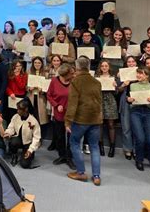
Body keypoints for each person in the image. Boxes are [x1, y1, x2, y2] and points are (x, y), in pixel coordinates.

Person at [65, 57, 102, 186]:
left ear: (77, 67)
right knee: (94, 147)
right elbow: (99, 102)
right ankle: (96, 176)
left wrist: (68, 121)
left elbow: (72, 104)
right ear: (89, 65)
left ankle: (81, 173)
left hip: (80, 120)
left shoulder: (75, 81)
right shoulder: (97, 82)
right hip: (96, 120)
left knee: (74, 143)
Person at [127, 67, 150, 172]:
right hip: (136, 111)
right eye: (138, 73)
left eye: (141, 74)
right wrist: (129, 99)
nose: (138, 75)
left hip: (149, 112)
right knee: (140, 138)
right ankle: (139, 160)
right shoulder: (132, 85)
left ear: (147, 76)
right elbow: (128, 99)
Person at [47, 64, 75, 169]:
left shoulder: (74, 81)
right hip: (59, 113)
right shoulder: (54, 81)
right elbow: (49, 95)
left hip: (71, 114)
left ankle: (69, 157)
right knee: (60, 136)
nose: (72, 75)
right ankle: (62, 156)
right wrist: (56, 105)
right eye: (70, 74)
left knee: (70, 137)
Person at [4, 100, 41, 168]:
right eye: (17, 109)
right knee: (13, 142)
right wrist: (8, 133)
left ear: (26, 109)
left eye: (19, 109)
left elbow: (37, 138)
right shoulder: (15, 117)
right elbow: (11, 127)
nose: (17, 111)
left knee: (25, 164)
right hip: (18, 140)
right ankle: (14, 154)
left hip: (28, 143)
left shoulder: (33, 121)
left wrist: (30, 150)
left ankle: (29, 154)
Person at [117, 55, 139, 160]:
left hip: (138, 101)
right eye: (129, 62)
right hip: (125, 101)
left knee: (137, 127)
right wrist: (123, 85)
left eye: (133, 62)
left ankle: (136, 149)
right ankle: (128, 149)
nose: (131, 64)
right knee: (126, 127)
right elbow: (118, 90)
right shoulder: (122, 74)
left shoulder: (140, 73)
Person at [95, 60, 118, 157]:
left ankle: (112, 146)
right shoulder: (96, 78)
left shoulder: (113, 78)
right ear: (100, 67)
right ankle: (100, 145)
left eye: (106, 66)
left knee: (111, 124)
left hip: (110, 101)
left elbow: (117, 93)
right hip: (99, 101)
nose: (104, 68)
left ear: (109, 67)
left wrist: (116, 87)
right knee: (99, 123)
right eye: (102, 66)